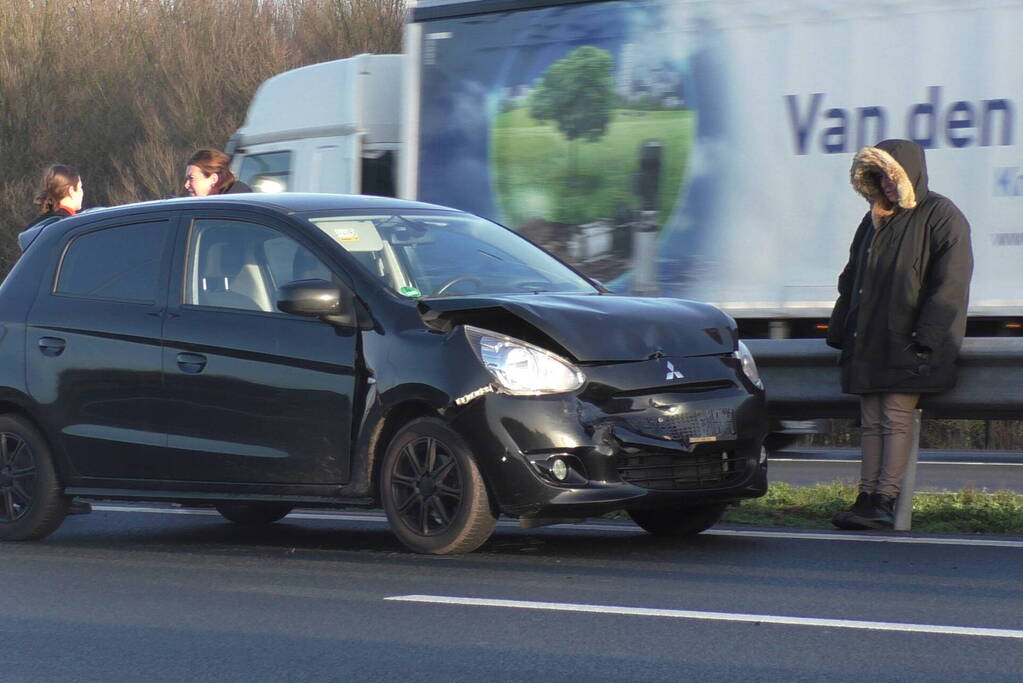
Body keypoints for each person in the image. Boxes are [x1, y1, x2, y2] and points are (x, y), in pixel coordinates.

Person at [826, 139, 973, 530]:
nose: (888, 185)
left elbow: (950, 283)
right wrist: (840, 330)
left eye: (893, 176)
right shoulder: (873, 219)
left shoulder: (940, 214)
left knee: (894, 418)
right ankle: (866, 499)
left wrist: (928, 338)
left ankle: (884, 501)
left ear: (911, 174)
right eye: (880, 177)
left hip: (910, 340)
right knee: (871, 421)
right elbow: (851, 280)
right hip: (869, 339)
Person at [19, 164, 85, 252]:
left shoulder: (35, 227)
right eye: (80, 187)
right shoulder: (72, 226)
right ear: (71, 191)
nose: (82, 192)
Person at [183, 148, 250, 196]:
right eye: (187, 179)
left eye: (191, 178)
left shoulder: (234, 203)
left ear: (214, 179)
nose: (186, 185)